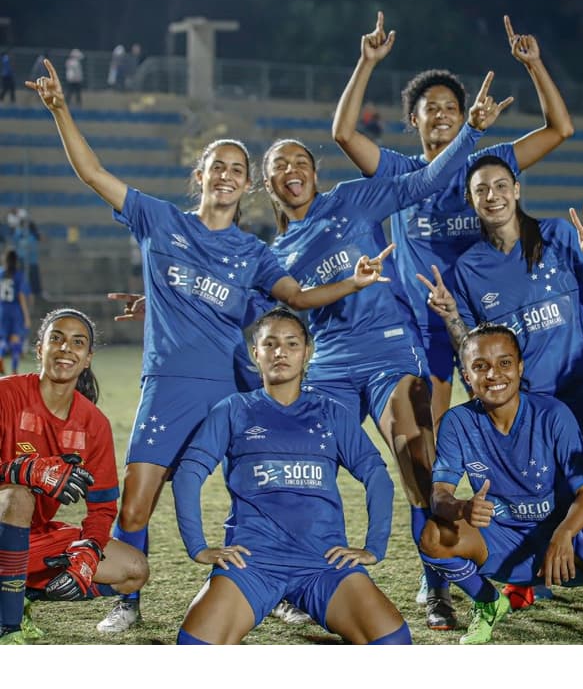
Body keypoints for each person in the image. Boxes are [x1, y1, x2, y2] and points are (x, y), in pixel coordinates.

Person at [27, 58, 395, 634]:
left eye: (237, 168)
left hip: (233, 387)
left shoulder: (253, 252)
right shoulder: (159, 221)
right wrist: (60, 109)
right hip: (169, 386)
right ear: (199, 176)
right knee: (135, 504)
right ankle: (126, 601)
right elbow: (95, 172)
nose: (226, 174)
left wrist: (354, 280)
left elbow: (294, 297)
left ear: (248, 186)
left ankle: (280, 583)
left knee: (268, 485)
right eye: (216, 165)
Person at [332, 13, 575, 623]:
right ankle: (434, 578)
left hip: (489, 336)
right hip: (423, 338)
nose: (439, 114)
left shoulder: (486, 161)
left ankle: (529, 563)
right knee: (428, 456)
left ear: (466, 114)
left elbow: (560, 128)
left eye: (449, 107)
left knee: (523, 446)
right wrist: (367, 62)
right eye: (428, 108)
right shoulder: (397, 172)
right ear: (412, 120)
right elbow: (341, 134)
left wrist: (532, 63)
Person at [261, 69, 510, 631]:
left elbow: (423, 183)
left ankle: (439, 584)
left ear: (315, 173)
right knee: (295, 466)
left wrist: (469, 132)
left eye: (301, 162)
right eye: (280, 168)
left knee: (418, 459)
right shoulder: (273, 253)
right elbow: (245, 306)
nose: (293, 172)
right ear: (269, 186)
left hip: (391, 351)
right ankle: (289, 577)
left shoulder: (352, 200)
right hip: (328, 366)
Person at [417, 156, 583, 631]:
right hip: (526, 402)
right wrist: (448, 313)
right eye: (481, 189)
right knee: (531, 488)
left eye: (500, 185)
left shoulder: (558, 236)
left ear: (517, 189)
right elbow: (473, 347)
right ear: (471, 200)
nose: (492, 195)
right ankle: (529, 573)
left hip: (580, 388)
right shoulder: (467, 268)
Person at [171, 308, 409, 645]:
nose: (280, 352)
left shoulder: (331, 412)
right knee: (196, 647)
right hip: (253, 564)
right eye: (270, 344)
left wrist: (374, 547)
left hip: (323, 563)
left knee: (392, 643)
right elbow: (188, 473)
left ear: (307, 352)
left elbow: (377, 476)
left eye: (291, 343)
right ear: (256, 354)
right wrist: (198, 546)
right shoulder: (234, 409)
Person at [418, 323, 583, 645]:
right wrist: (461, 507)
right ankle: (489, 601)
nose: (494, 374)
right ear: (466, 375)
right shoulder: (457, 422)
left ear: (520, 367)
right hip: (501, 541)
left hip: (559, 547)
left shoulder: (553, 414)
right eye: (480, 366)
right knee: (435, 534)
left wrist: (564, 533)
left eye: (504, 363)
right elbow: (439, 495)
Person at [0, 308, 149, 644]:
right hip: (4, 519)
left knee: (133, 569)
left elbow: (102, 507)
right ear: (40, 349)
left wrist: (90, 549)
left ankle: (14, 595)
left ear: (87, 358)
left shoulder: (93, 423)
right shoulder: (6, 395)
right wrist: (21, 469)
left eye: (77, 343)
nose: (66, 348)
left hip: (29, 538)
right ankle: (7, 630)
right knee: (18, 495)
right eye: (57, 338)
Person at [0, 250, 31, 376]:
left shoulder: (1, 273)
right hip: (15, 311)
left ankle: (0, 357)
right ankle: (14, 369)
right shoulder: (18, 275)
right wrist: (26, 316)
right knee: (15, 340)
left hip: (2, 310)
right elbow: (21, 296)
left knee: (3, 339)